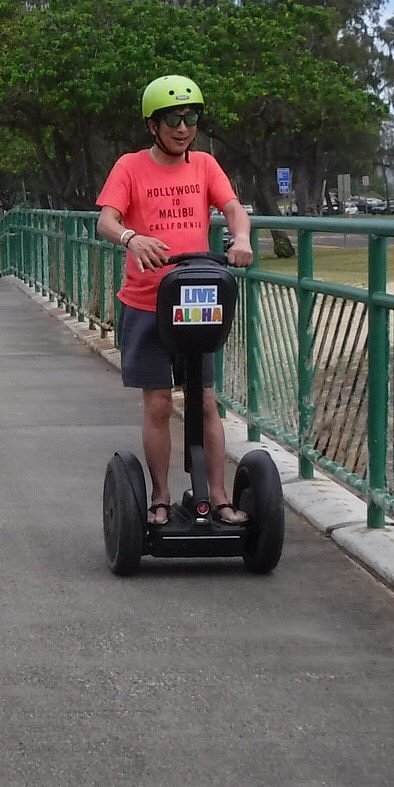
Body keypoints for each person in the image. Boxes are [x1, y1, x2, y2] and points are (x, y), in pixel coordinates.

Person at [95, 75, 254, 526]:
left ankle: (219, 497)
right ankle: (161, 497)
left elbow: (233, 208)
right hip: (147, 300)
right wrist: (132, 238)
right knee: (160, 401)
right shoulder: (129, 167)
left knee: (205, 399)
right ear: (153, 125)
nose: (183, 128)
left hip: (196, 298)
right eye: (173, 119)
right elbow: (105, 220)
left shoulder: (204, 165)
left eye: (191, 118)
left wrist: (240, 237)